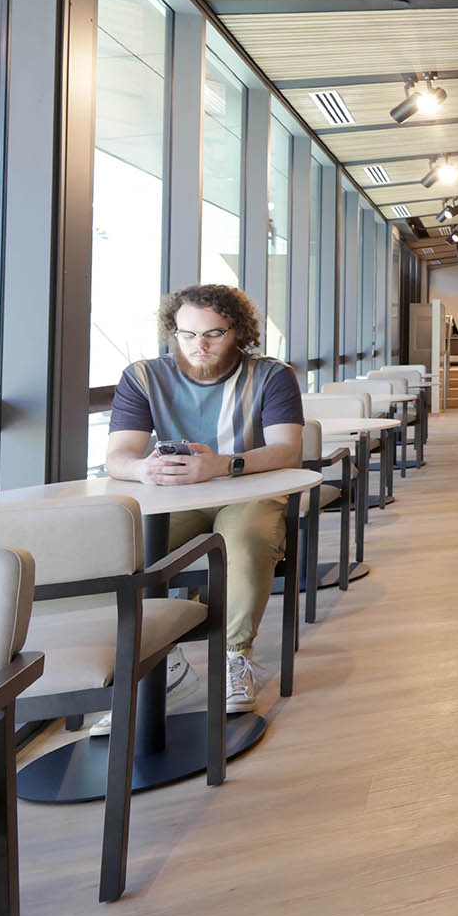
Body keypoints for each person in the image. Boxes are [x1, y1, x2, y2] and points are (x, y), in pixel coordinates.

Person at [104, 283, 303, 713]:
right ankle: (159, 660)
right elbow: (117, 457)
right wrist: (142, 468)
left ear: (238, 331)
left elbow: (288, 450)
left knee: (247, 542)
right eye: (187, 334)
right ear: (172, 332)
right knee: (123, 551)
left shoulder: (271, 375)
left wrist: (223, 465)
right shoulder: (142, 377)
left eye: (213, 333)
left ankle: (236, 656)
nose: (200, 345)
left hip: (250, 491)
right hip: (173, 497)